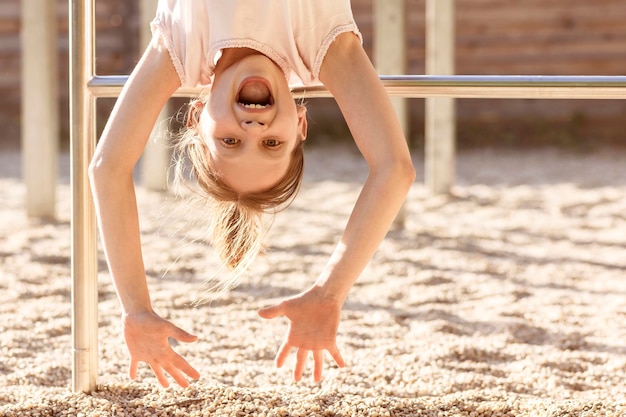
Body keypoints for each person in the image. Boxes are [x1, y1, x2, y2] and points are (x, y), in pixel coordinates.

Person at [89, 0, 415, 388]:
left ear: (195, 117)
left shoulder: (183, 44)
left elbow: (107, 168)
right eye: (273, 143)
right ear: (300, 122)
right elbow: (394, 169)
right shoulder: (321, 43)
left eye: (230, 140)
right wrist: (329, 293)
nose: (254, 127)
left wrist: (136, 309)